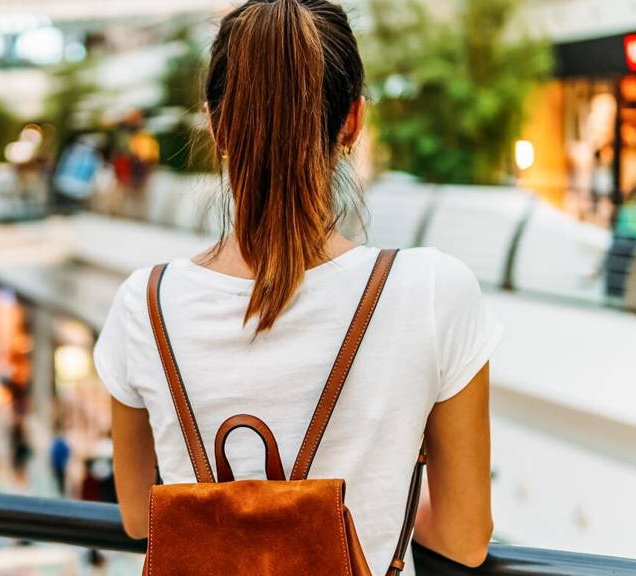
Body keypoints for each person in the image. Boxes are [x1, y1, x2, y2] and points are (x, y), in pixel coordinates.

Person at [94, 2, 501, 575]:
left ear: (217, 125)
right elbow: (464, 538)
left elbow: (141, 519)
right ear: (353, 123)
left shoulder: (145, 303)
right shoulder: (433, 291)